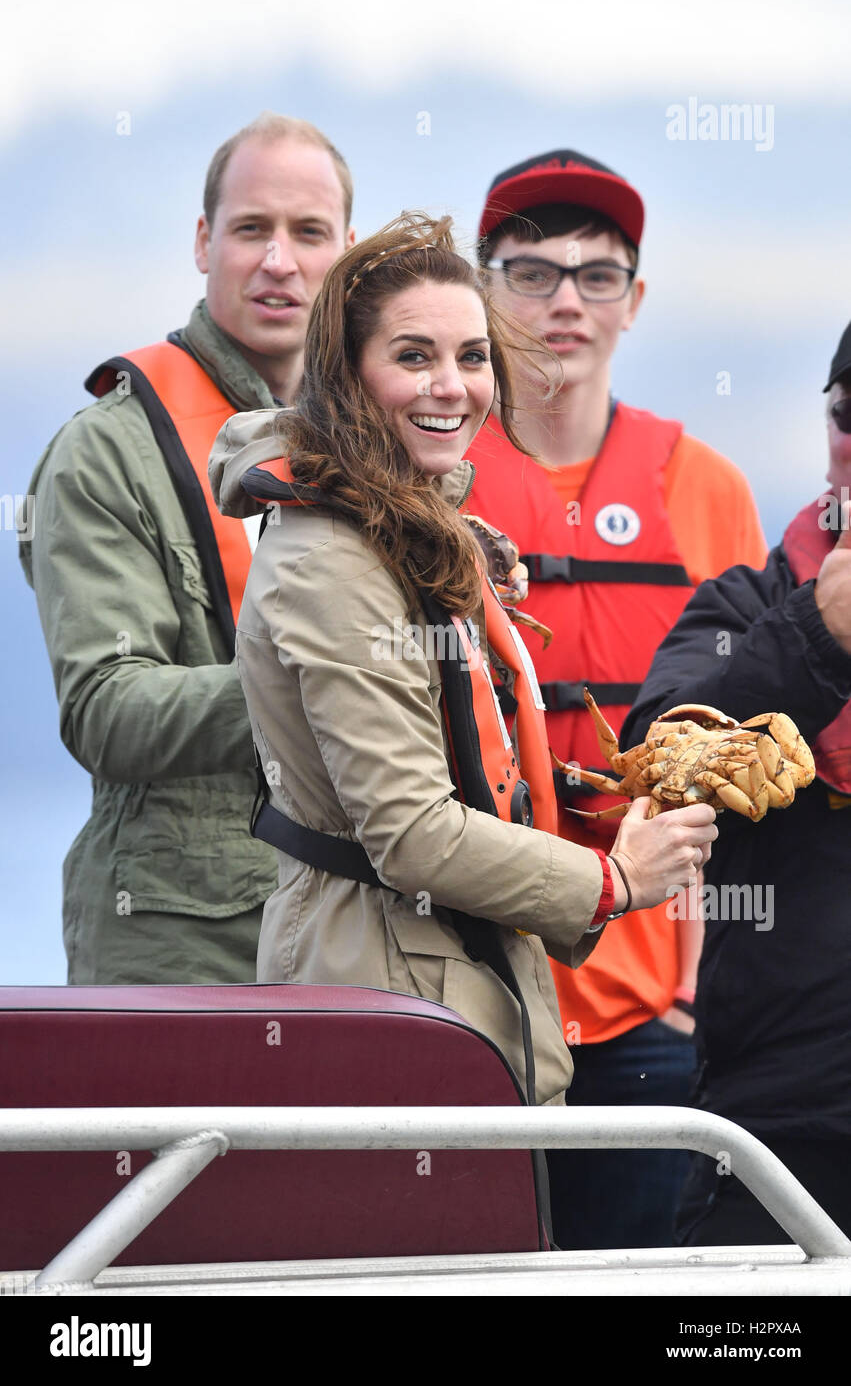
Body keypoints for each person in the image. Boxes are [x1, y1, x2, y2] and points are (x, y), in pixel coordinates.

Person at [208, 212, 718, 1119]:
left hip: (448, 987)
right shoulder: (330, 560)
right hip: (384, 1005)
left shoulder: (408, 530)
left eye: (472, 357)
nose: (452, 387)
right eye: (413, 357)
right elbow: (408, 831)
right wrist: (616, 882)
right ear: (346, 375)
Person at [464, 148, 768, 1248]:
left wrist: (697, 994)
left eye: (596, 276)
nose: (562, 301)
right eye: (529, 271)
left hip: (648, 1011)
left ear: (633, 301)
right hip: (473, 1002)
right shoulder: (424, 487)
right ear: (481, 286)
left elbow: (747, 761)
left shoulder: (705, 490)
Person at [19, 113, 355, 984]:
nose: (279, 259)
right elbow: (105, 709)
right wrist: (322, 685)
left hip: (359, 926)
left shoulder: (384, 448)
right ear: (204, 243)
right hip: (182, 942)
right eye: (252, 229)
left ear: (348, 253)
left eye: (308, 232)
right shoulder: (104, 453)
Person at [622, 321, 851, 1241]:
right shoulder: (748, 606)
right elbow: (654, 759)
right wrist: (814, 636)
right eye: (849, 415)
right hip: (784, 1117)